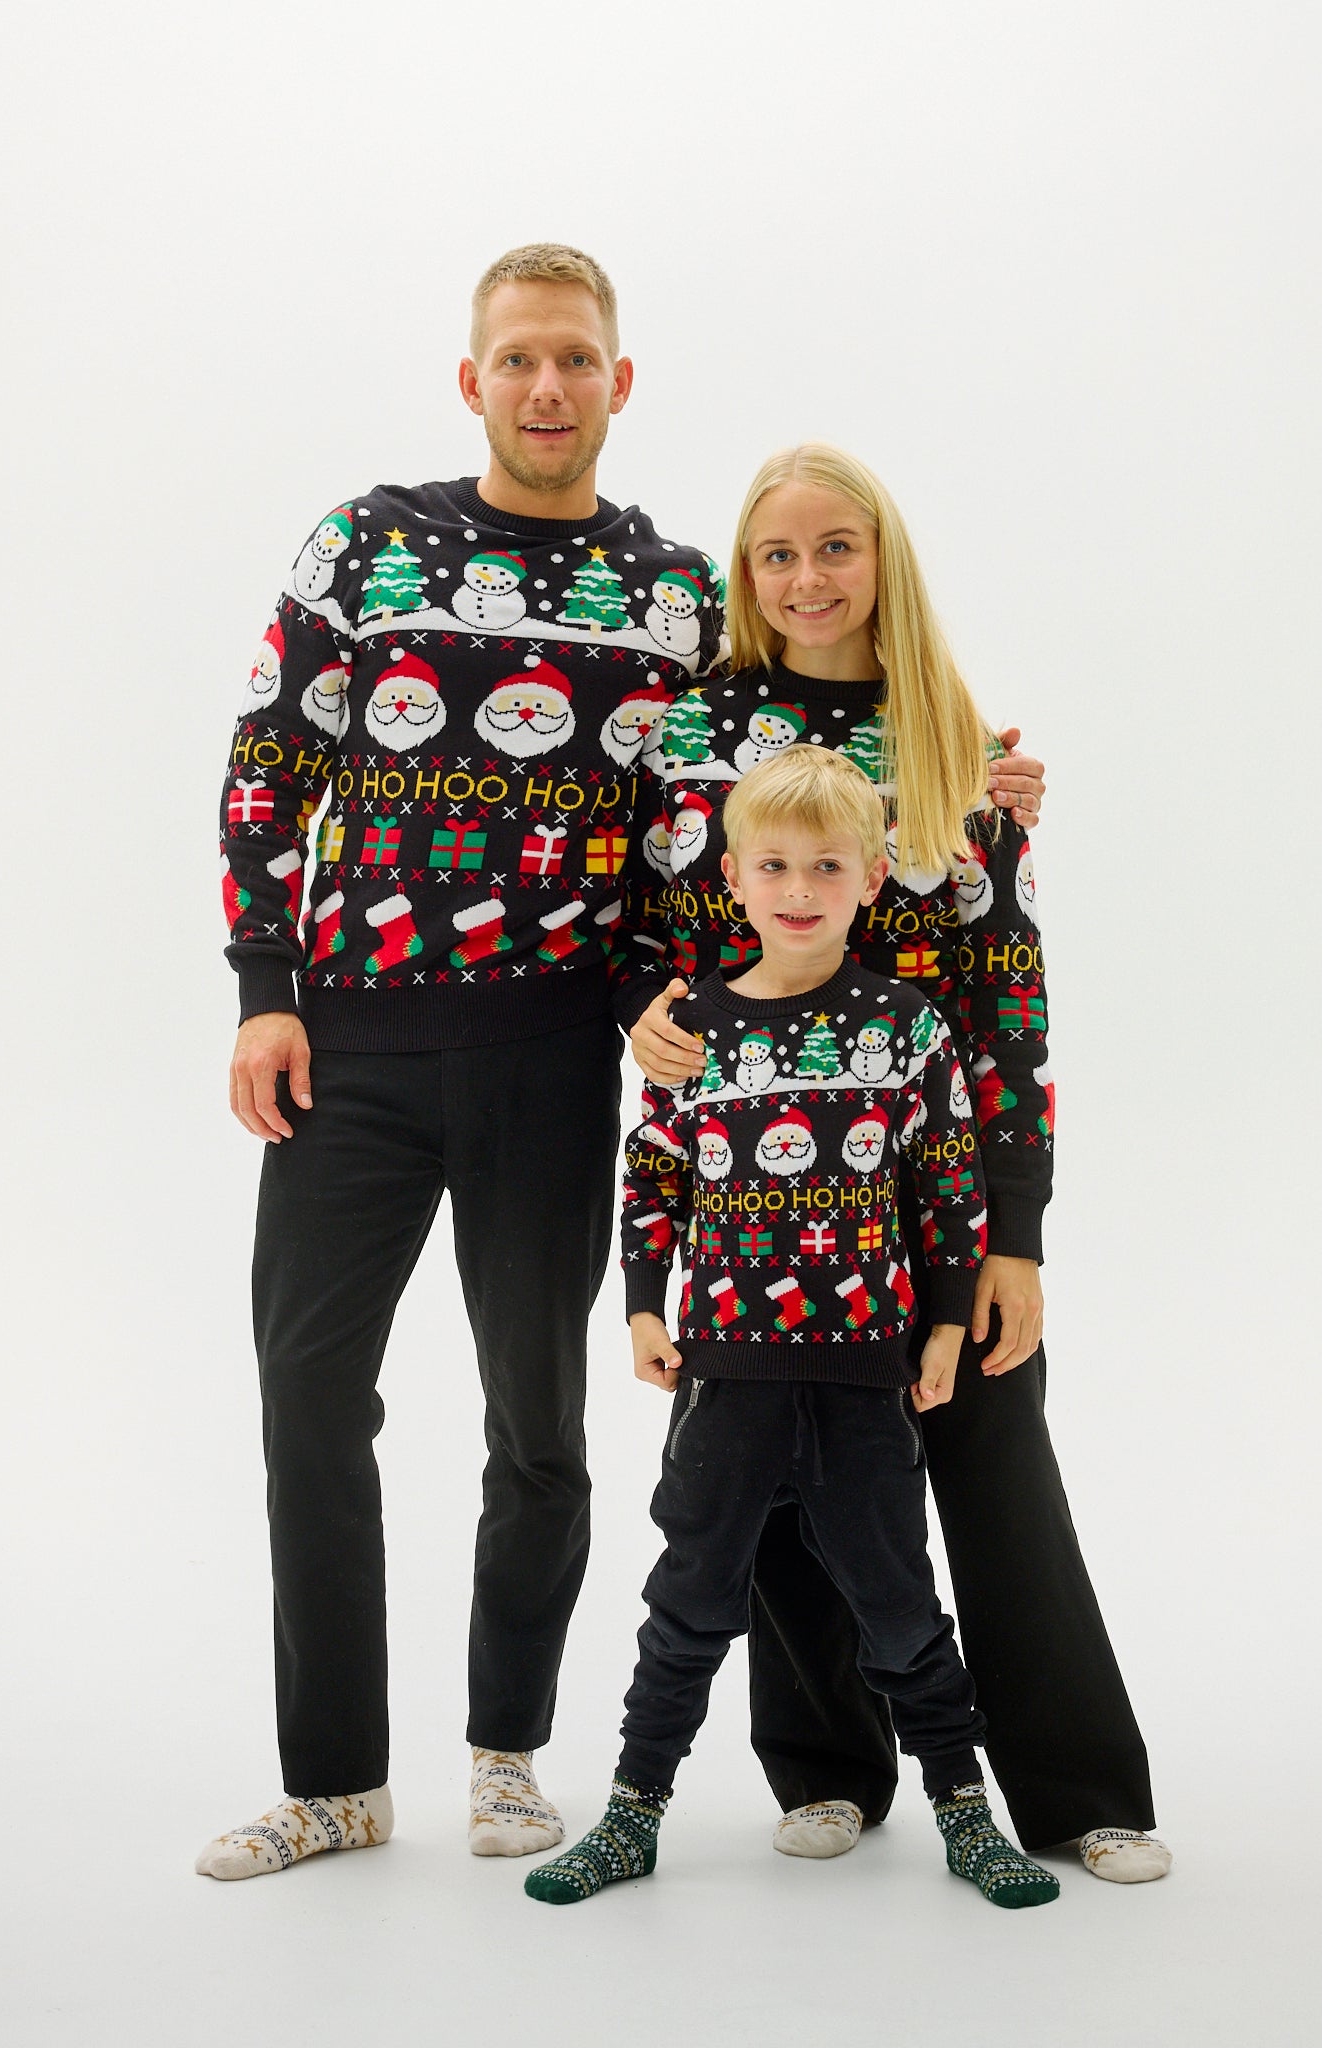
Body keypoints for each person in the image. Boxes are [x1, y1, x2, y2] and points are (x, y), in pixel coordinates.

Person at [196, 248, 1043, 1882]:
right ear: (471, 380)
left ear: (617, 382)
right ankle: (334, 1784)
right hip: (345, 1050)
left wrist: (972, 772)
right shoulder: (368, 542)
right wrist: (263, 986)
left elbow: (769, 759)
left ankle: (506, 1758)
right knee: (308, 1401)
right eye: (517, 358)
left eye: (575, 358)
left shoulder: (672, 593)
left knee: (539, 1423)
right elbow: (265, 762)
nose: (546, 386)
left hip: (549, 1055)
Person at [619, 443, 1169, 1883]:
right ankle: (827, 1770)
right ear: (745, 575)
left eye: (835, 548)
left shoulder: (955, 739)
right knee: (792, 1485)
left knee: (997, 1471)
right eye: (777, 554)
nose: (807, 579)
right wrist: (648, 1017)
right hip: (763, 1197)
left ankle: (1077, 1791)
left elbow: (1007, 997)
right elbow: (647, 932)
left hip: (932, 1189)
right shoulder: (696, 733)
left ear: (883, 561)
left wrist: (1015, 1232)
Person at [525, 745, 1057, 1909]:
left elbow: (947, 1186)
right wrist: (642, 1301)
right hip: (726, 1372)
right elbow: (652, 1173)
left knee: (897, 1602)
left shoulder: (905, 1026)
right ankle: (631, 1813)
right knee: (688, 1598)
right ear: (731, 877)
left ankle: (964, 1811)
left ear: (870, 877)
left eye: (825, 865)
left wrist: (941, 1328)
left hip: (864, 1369)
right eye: (772, 865)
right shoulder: (692, 1028)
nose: (799, 887)